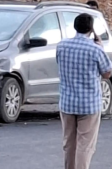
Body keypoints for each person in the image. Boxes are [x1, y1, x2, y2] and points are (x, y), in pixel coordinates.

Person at [56, 13, 112, 169]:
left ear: (74, 26)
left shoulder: (61, 46)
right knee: (85, 145)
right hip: (89, 104)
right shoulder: (95, 49)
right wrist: (101, 47)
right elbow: (107, 72)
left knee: (69, 143)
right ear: (91, 29)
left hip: (67, 102)